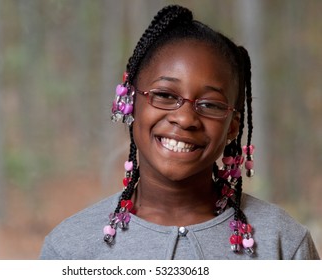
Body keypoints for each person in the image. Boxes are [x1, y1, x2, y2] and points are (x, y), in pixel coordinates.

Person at [39, 5, 320, 260]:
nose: (185, 118)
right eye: (164, 94)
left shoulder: (283, 242)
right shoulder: (69, 249)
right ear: (129, 103)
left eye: (210, 104)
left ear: (233, 126)